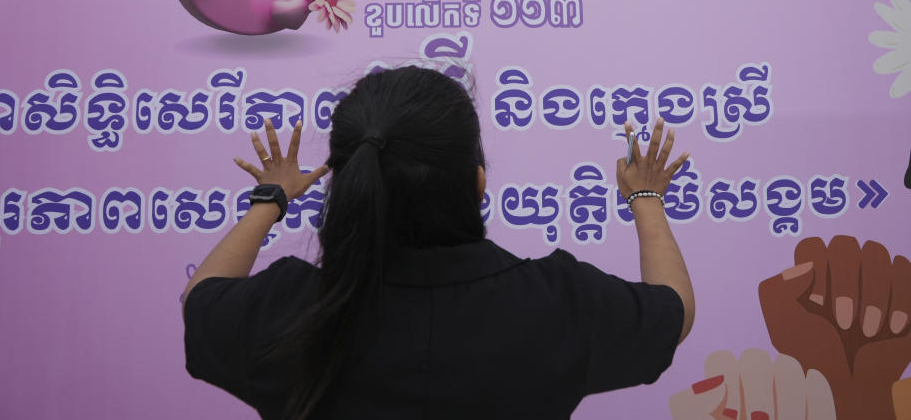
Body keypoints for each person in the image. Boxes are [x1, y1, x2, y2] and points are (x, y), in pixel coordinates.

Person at [182, 66, 695, 419]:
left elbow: (199, 300)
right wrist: (646, 197)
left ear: (348, 181)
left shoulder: (287, 309)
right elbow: (674, 312)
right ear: (478, 184)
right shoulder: (557, 303)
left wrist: (269, 199)